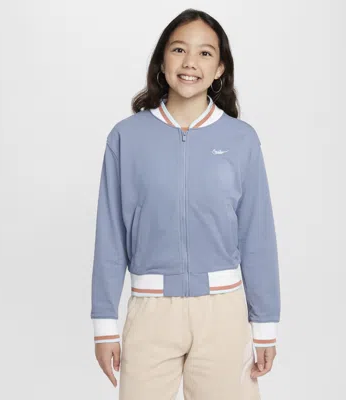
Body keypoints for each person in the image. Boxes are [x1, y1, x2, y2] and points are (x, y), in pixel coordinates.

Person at [90, 8, 281, 400]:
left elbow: (257, 235)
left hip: (223, 312)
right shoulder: (127, 137)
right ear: (162, 61)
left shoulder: (241, 139)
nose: (190, 62)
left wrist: (265, 326)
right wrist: (104, 325)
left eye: (205, 53)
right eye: (179, 49)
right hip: (150, 312)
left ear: (220, 68)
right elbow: (110, 234)